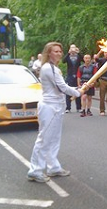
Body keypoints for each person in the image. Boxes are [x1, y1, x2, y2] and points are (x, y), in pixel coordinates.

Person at [27, 42, 87, 183]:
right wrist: (79, 92)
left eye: (60, 51)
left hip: (57, 107)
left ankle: (53, 167)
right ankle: (35, 170)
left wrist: (79, 88)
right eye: (55, 51)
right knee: (44, 139)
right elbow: (62, 87)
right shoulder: (48, 68)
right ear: (49, 53)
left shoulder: (54, 68)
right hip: (49, 107)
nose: (59, 53)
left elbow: (62, 86)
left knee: (54, 139)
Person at [63, 44, 83, 113]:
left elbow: (83, 59)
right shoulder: (68, 56)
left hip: (77, 76)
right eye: (71, 48)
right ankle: (68, 107)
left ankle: (79, 107)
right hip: (70, 75)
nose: (73, 49)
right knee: (68, 92)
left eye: (74, 48)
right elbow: (63, 61)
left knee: (78, 91)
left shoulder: (78, 56)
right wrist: (68, 53)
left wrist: (78, 52)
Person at [94, 49, 107, 116]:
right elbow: (96, 58)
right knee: (102, 96)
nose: (106, 54)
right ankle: (102, 110)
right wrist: (100, 51)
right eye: (105, 53)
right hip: (103, 80)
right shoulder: (101, 60)